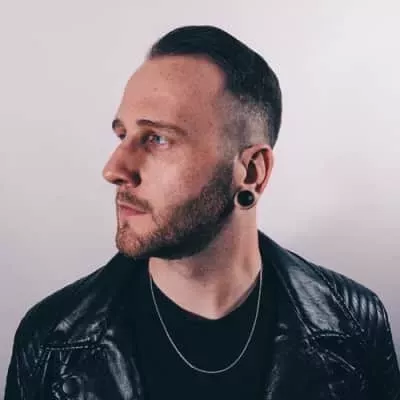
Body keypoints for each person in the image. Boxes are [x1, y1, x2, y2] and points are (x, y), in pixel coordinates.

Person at [5, 25, 400, 400]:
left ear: (251, 172)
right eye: (123, 135)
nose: (114, 169)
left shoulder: (354, 323)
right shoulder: (51, 340)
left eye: (157, 138)